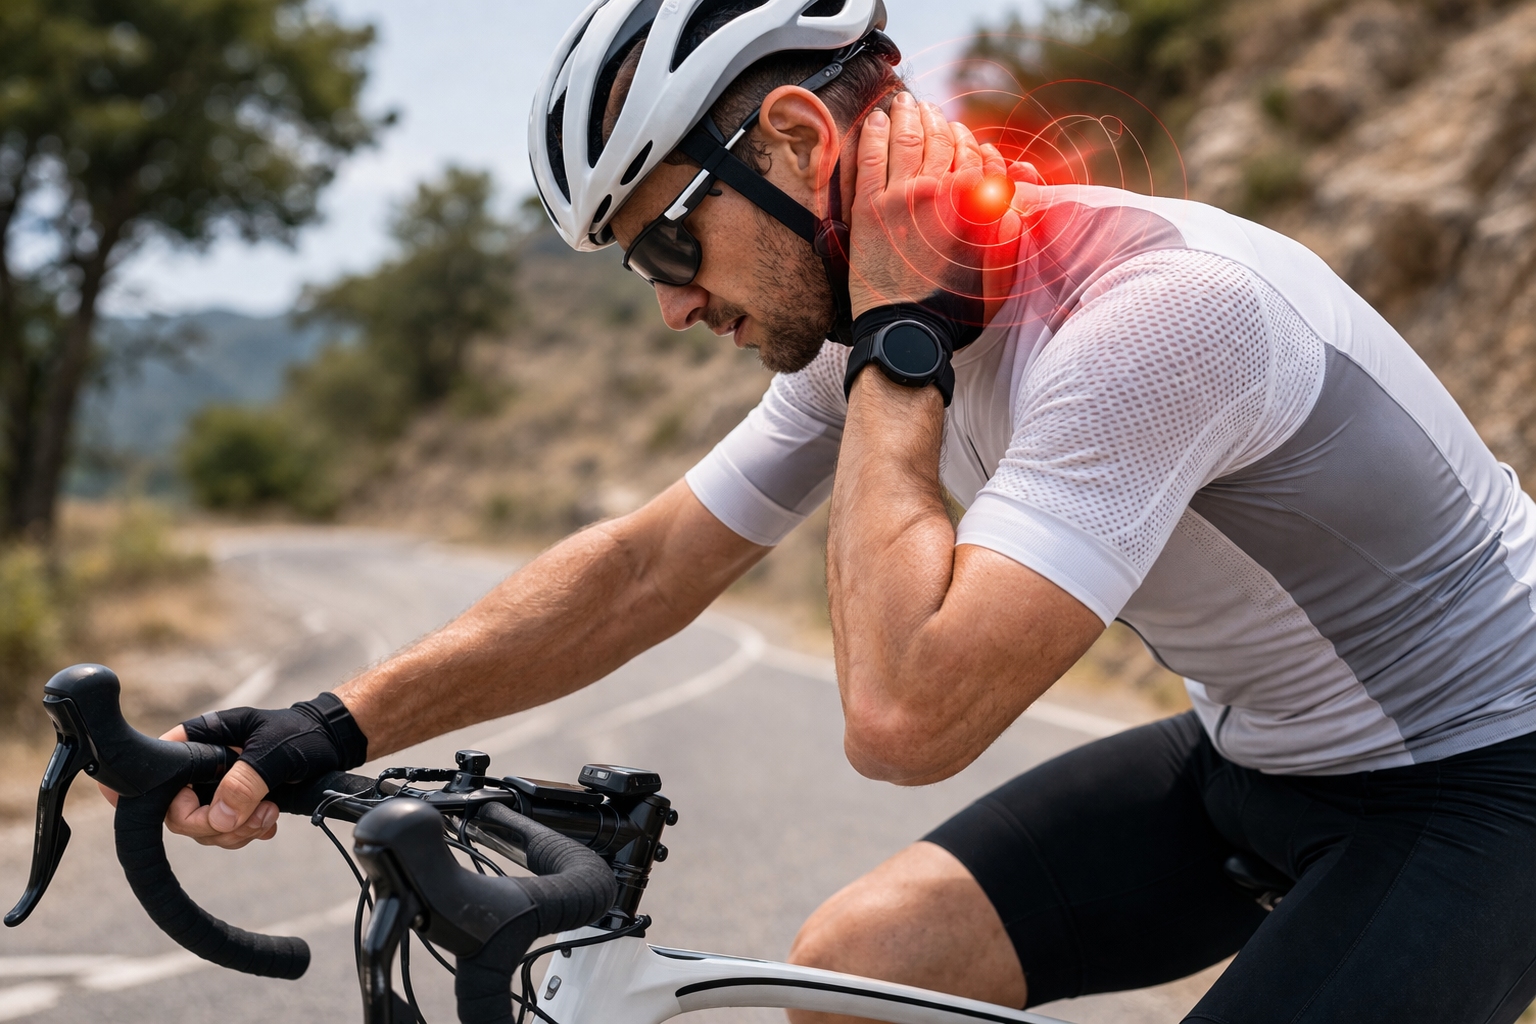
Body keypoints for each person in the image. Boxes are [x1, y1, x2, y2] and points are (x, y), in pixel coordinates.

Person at [117, 0, 1536, 1020]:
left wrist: (899, 355)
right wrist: (325, 728)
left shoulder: (1154, 318)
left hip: (1487, 775)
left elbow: (907, 721)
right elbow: (644, 567)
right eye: (638, 270)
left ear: (796, 139)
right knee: (855, 966)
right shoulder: (886, 319)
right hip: (1260, 754)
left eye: (671, 236)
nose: (674, 305)